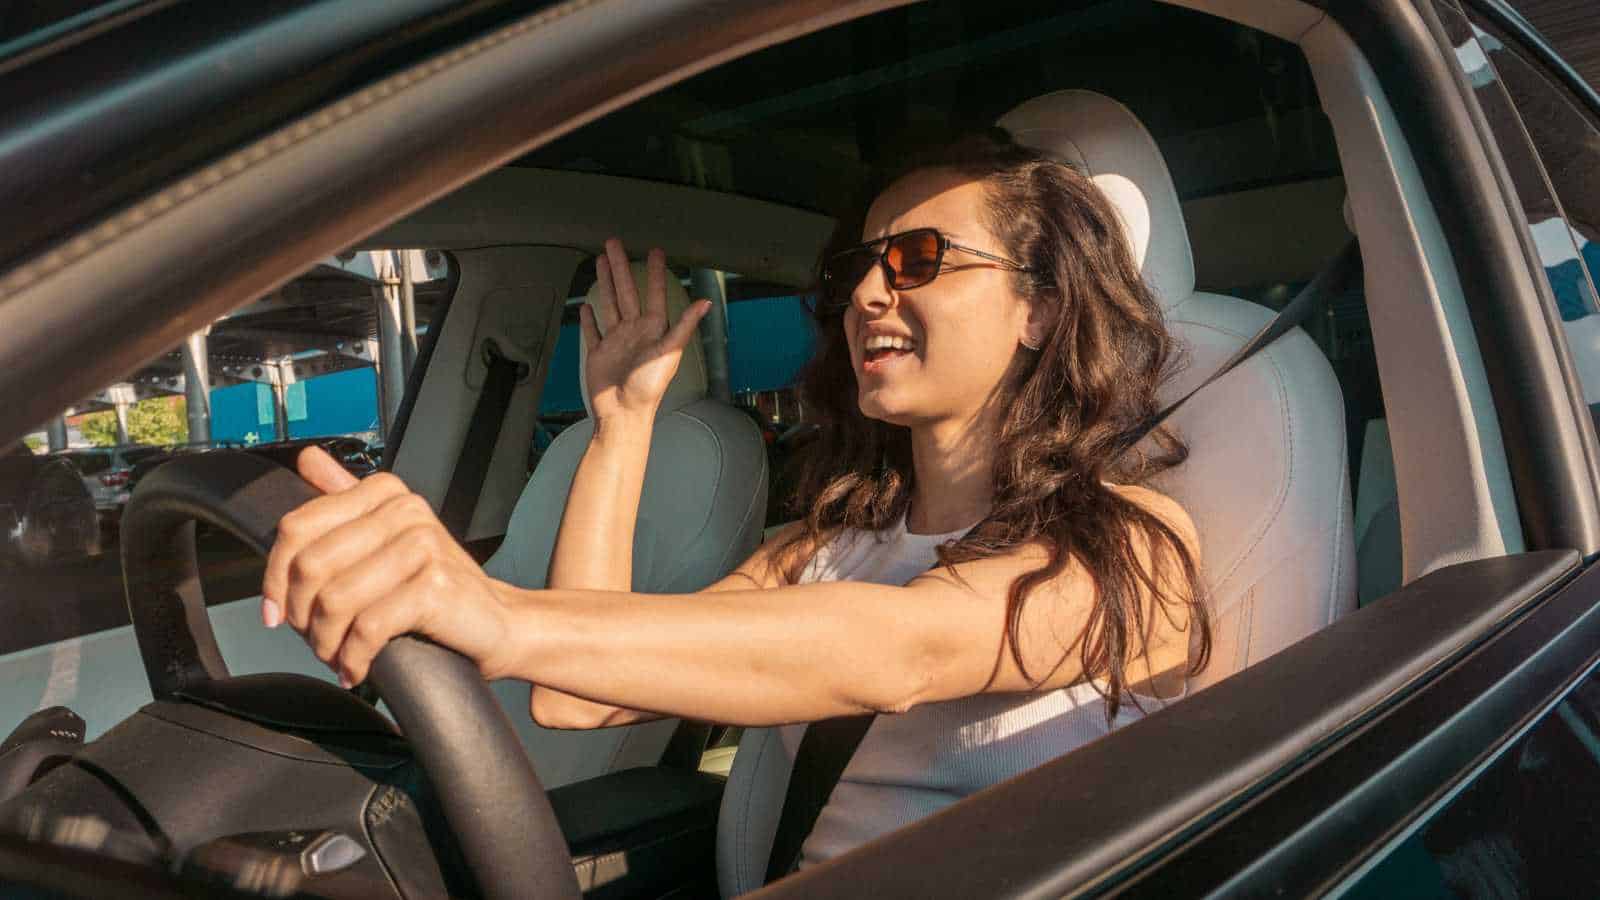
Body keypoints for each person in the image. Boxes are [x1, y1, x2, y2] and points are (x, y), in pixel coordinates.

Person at [260, 131, 1209, 880]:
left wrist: (496, 614)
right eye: (861, 266)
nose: (867, 292)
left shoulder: (1135, 548)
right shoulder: (829, 548)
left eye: (918, 257)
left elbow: (903, 651)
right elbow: (579, 694)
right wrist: (621, 426)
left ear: (1041, 308)